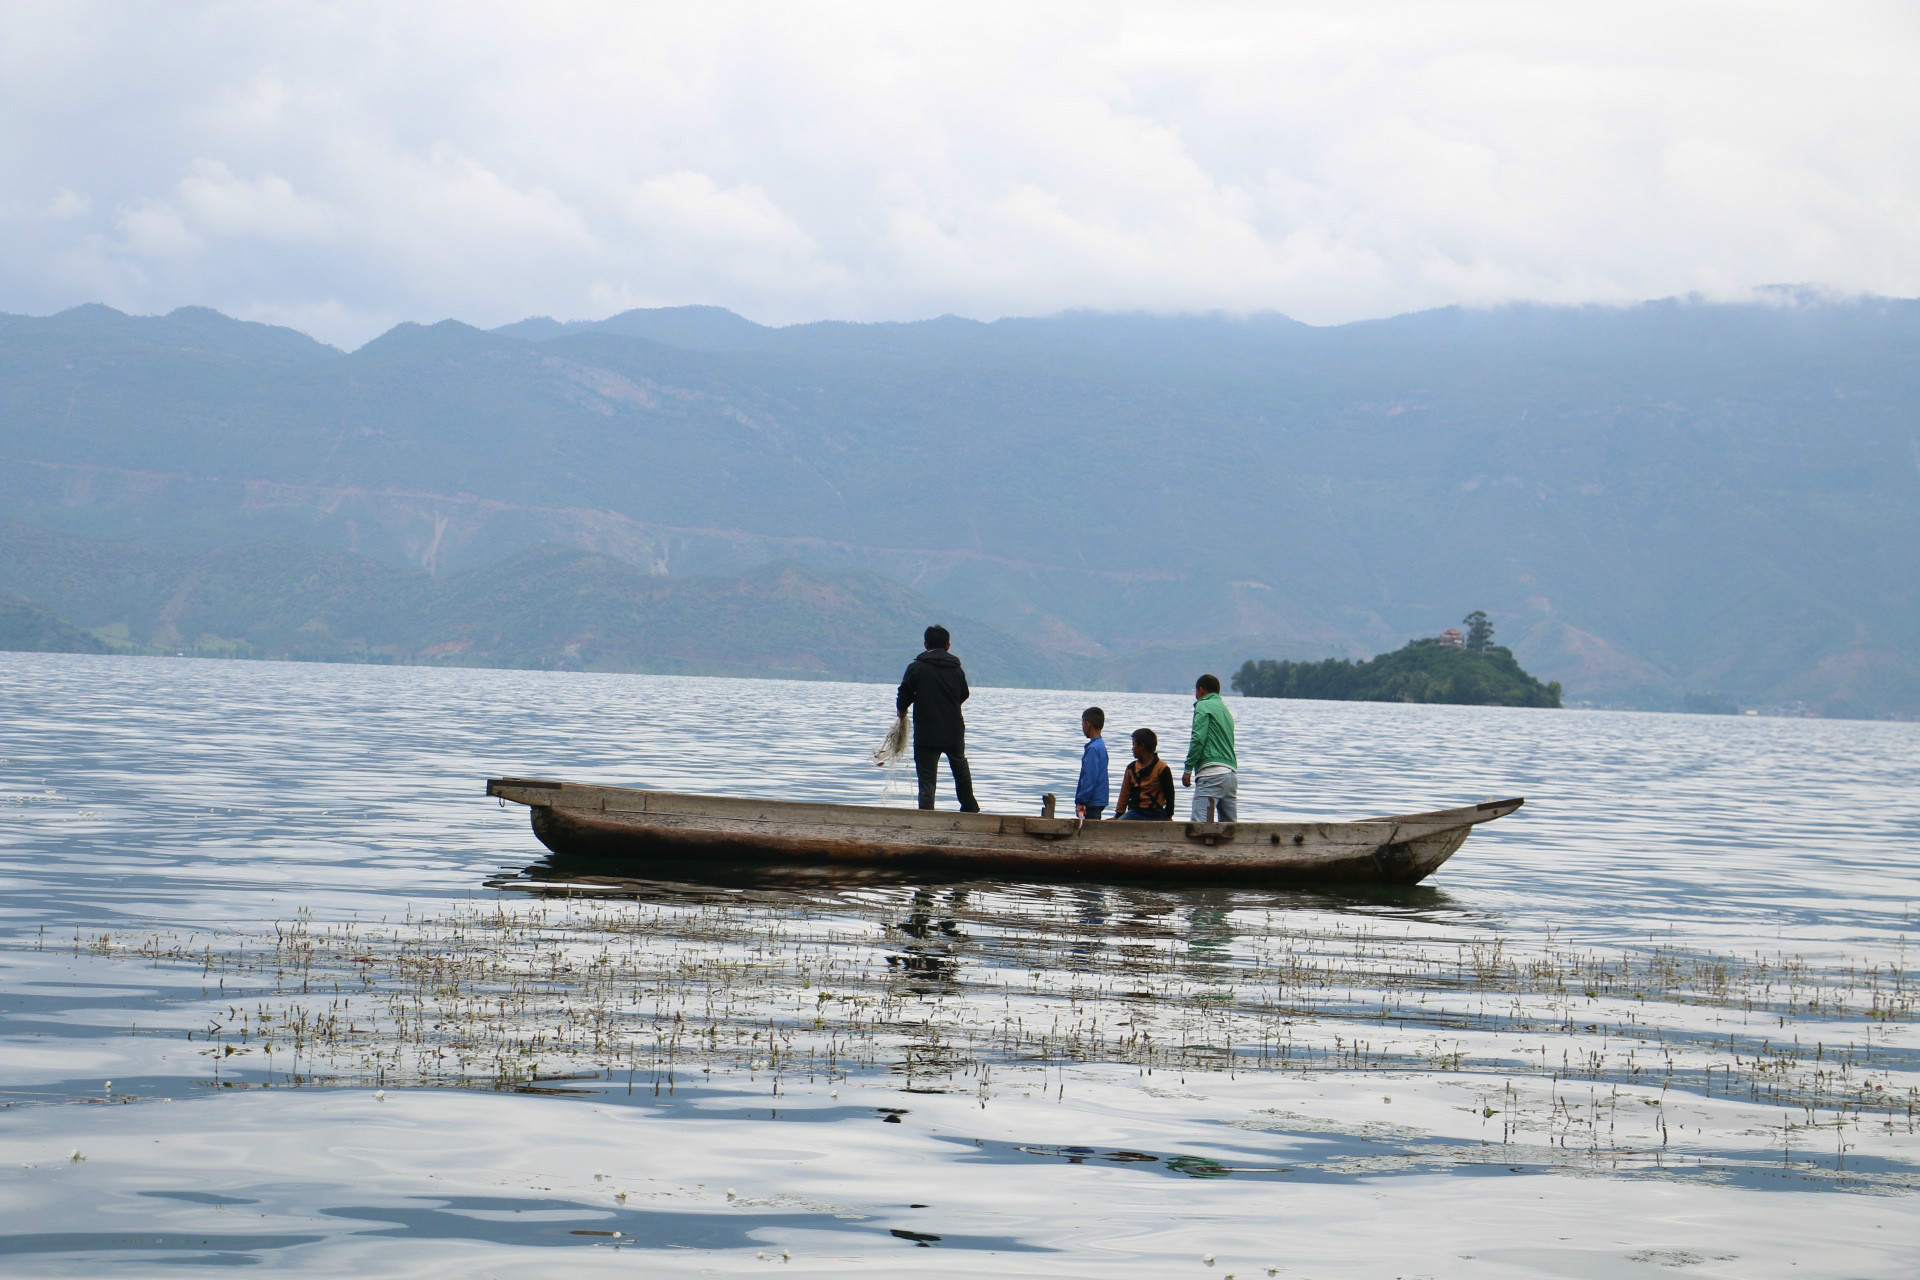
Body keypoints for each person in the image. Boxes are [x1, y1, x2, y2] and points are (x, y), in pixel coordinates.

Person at [896, 624, 979, 812]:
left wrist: (902, 711)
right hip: (953, 730)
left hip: (927, 732)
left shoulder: (917, 667)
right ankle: (970, 807)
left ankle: (926, 813)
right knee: (960, 769)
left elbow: (905, 693)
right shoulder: (957, 670)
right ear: (948, 646)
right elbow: (964, 694)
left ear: (925, 644)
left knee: (927, 777)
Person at [1181, 673, 1238, 821]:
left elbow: (1198, 738)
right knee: (1230, 830)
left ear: (1200, 690)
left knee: (1198, 827)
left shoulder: (1203, 705)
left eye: (1196, 692)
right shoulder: (1225, 710)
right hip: (1230, 775)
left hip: (1211, 775)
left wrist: (1188, 769)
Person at [1114, 727, 1176, 820]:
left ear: (1141, 746)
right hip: (1135, 812)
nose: (1132, 748)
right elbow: (1124, 793)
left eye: (1134, 744)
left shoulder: (1162, 768)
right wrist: (1118, 815)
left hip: (1156, 812)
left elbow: (1170, 794)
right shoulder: (1131, 768)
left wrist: (1169, 815)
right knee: (1117, 826)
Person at [1074, 706, 1108, 820]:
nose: (1082, 727)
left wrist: (1082, 801)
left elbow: (1089, 777)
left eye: (1082, 724)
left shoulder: (1093, 749)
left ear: (1087, 724)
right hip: (1098, 800)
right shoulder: (1101, 746)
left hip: (1091, 802)